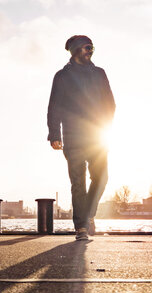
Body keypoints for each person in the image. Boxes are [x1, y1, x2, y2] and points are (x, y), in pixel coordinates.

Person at [47, 35, 115, 240]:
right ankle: (81, 228)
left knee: (101, 178)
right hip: (73, 136)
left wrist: (105, 126)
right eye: (87, 47)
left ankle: (88, 215)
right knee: (78, 182)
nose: (90, 50)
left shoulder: (99, 73)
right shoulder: (62, 76)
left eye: (92, 47)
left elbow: (110, 104)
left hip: (97, 136)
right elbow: (54, 107)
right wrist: (54, 134)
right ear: (76, 50)